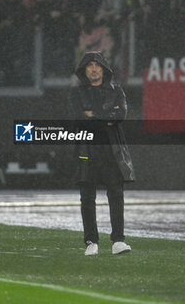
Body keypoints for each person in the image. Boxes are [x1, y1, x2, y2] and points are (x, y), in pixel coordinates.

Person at [68, 51, 135, 256]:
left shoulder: (116, 90)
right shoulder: (77, 93)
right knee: (87, 198)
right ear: (84, 70)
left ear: (104, 69)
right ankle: (91, 242)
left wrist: (92, 115)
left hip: (111, 151)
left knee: (116, 195)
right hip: (86, 150)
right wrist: (104, 117)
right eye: (89, 65)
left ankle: (118, 241)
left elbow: (120, 114)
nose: (94, 69)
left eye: (97, 65)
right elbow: (76, 117)